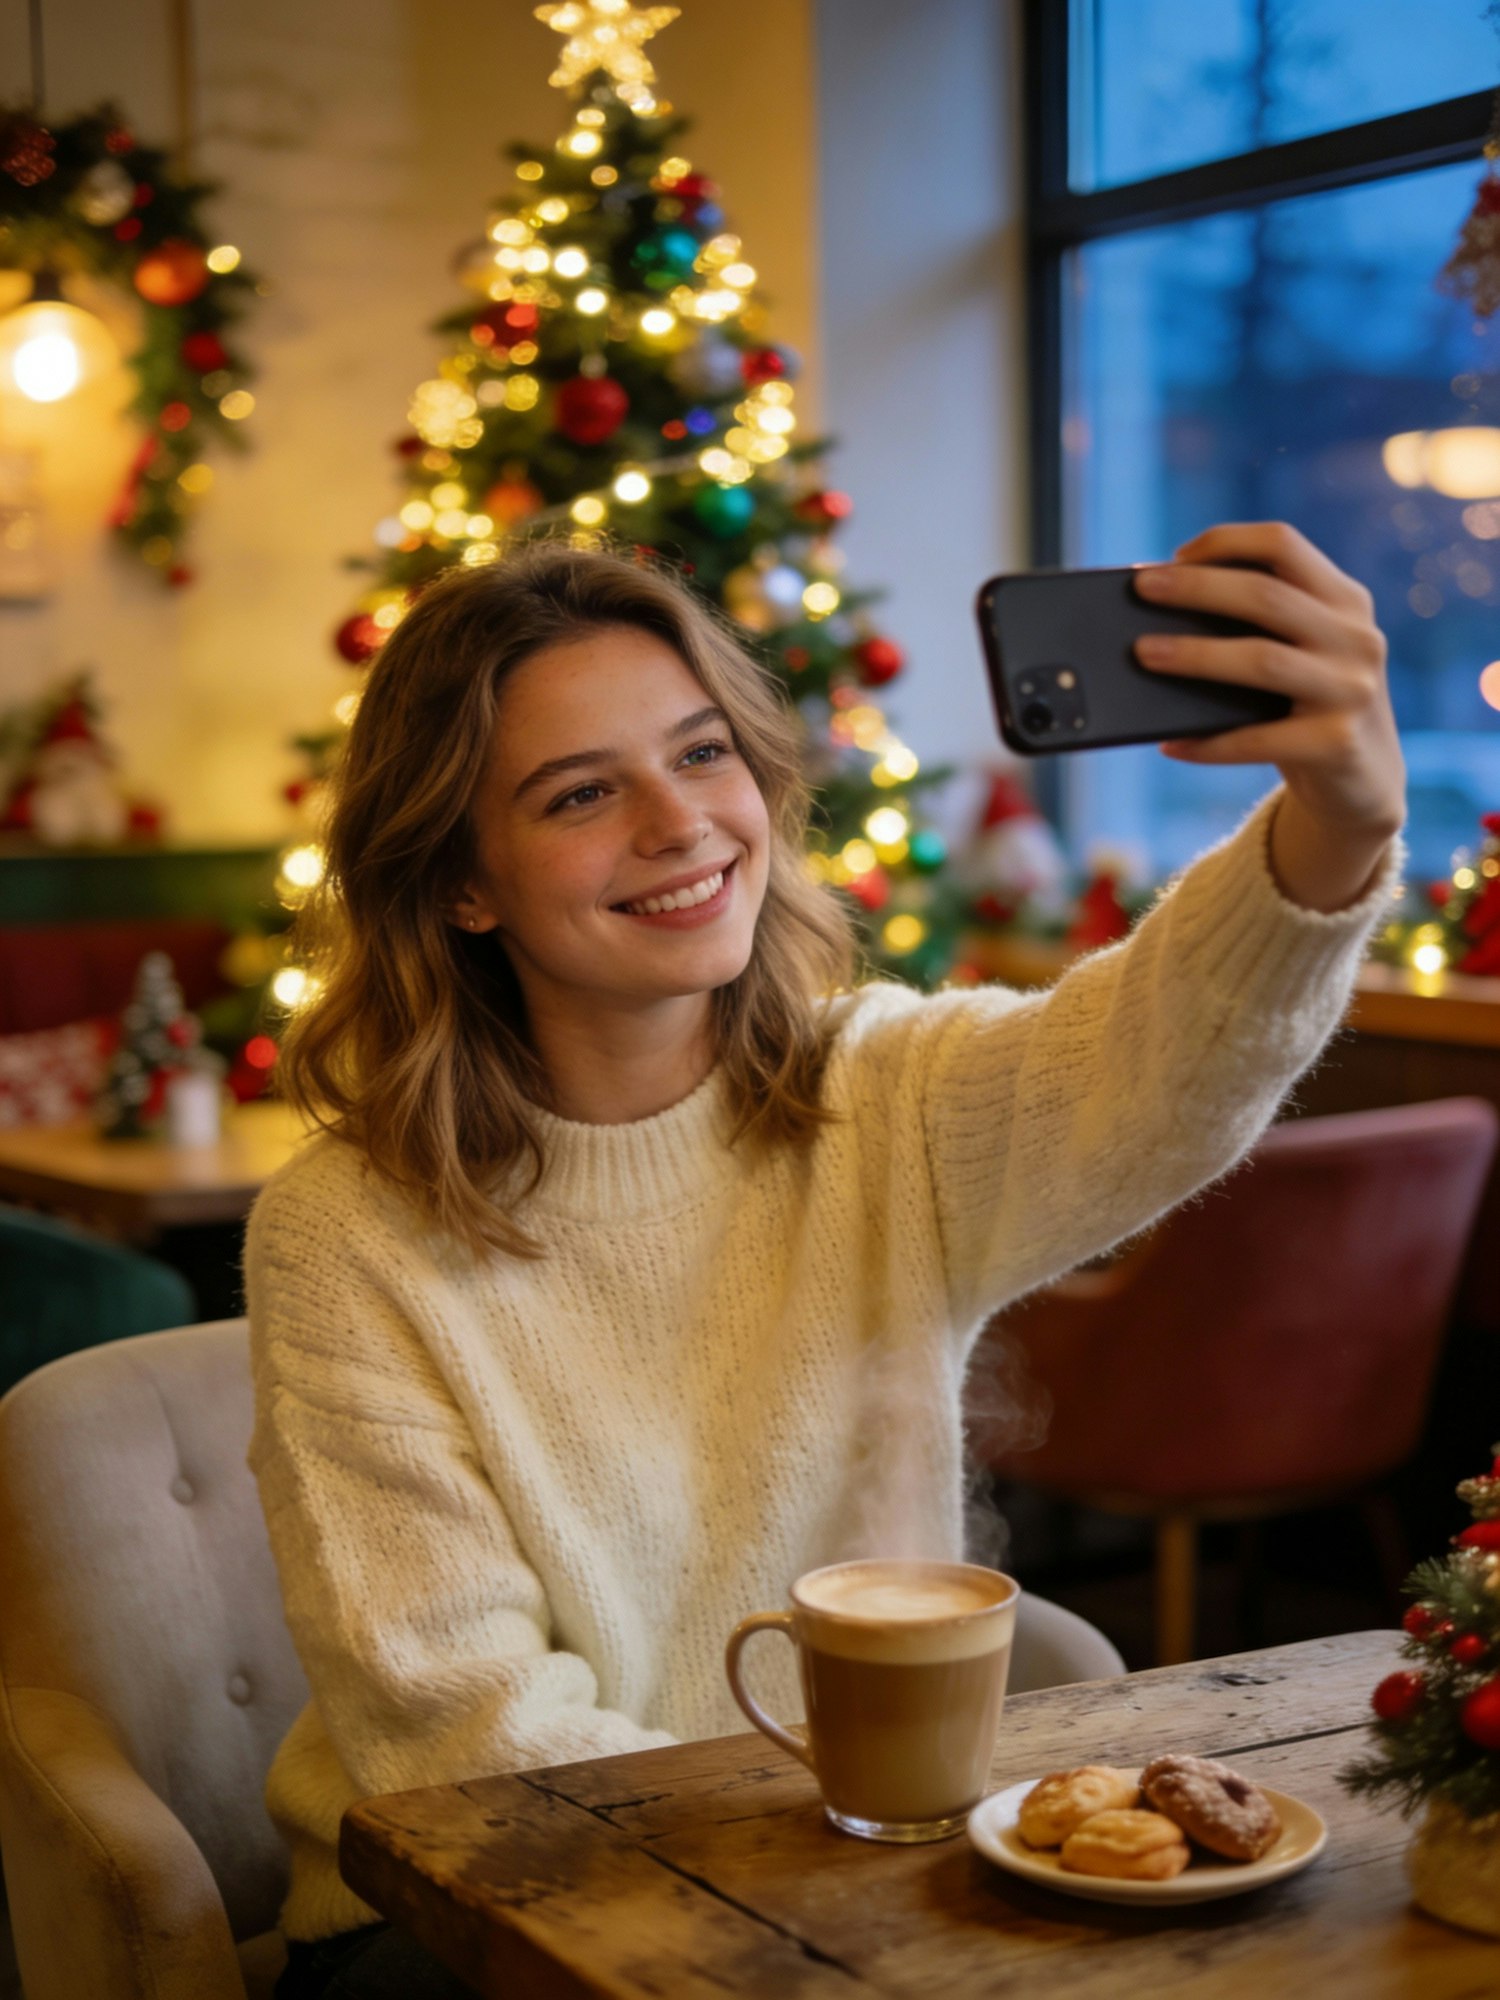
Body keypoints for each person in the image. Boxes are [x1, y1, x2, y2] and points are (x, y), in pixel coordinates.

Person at [250, 524, 1404, 1996]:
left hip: (868, 1869)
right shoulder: (347, 1233)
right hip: (463, 1914)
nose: (682, 825)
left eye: (701, 753)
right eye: (582, 792)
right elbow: (472, 1738)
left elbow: (1167, 1057)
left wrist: (1342, 820)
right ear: (463, 884)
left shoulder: (886, 1099)